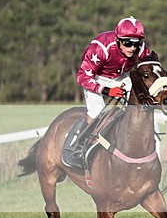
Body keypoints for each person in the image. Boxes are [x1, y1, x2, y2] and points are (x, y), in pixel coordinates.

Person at [63, 16, 149, 168]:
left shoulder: (141, 49)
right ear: (117, 39)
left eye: (137, 43)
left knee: (138, 105)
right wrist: (107, 90)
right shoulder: (100, 47)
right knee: (96, 111)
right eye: (127, 43)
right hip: (95, 77)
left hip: (119, 77)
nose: (132, 48)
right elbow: (82, 76)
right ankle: (79, 146)